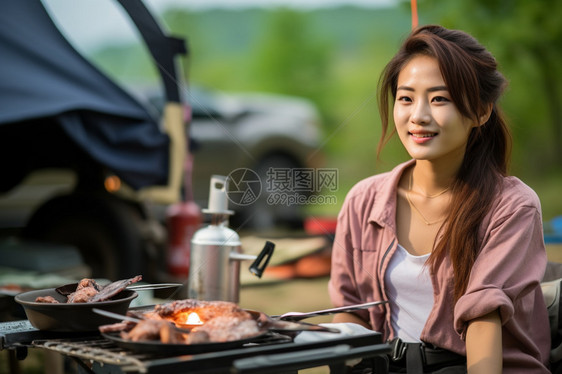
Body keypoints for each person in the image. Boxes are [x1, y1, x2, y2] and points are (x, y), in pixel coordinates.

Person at [328, 25, 550, 373]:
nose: (418, 115)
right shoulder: (363, 201)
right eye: (406, 98)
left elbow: (483, 318)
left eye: (439, 99)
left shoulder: (512, 207)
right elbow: (351, 311)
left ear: (481, 111)